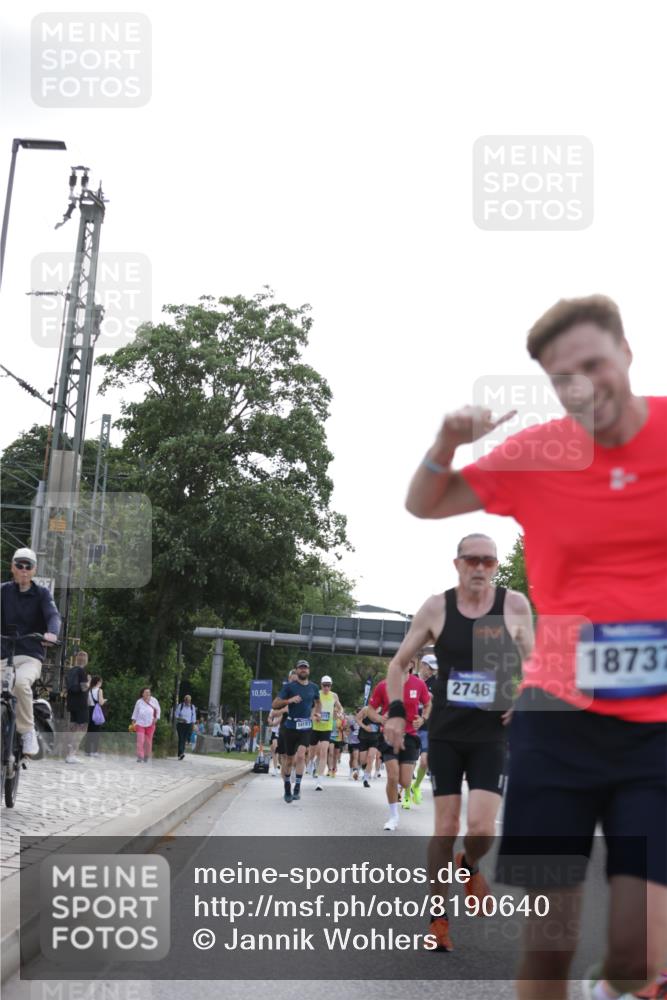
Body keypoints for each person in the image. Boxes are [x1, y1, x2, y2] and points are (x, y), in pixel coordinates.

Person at [392, 294, 667, 999]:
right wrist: (447, 440)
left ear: (626, 353)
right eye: (561, 378)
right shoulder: (541, 452)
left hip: (656, 734)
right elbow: (426, 502)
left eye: (592, 365)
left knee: (639, 954)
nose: (581, 387)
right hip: (558, 724)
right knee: (549, 946)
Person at [385, 535, 533, 951]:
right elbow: (397, 664)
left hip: (490, 732)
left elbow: (538, 662)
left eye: (489, 560)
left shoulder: (514, 605)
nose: (481, 568)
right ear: (458, 563)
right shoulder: (437, 608)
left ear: (496, 565)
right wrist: (396, 709)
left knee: (482, 827)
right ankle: (438, 920)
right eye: (473, 560)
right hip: (448, 733)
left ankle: (469, 865)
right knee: (445, 827)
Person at [0, 547, 60, 758]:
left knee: (20, 683)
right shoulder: (3, 591)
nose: (23, 570)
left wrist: (51, 633)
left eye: (28, 566)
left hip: (29, 656)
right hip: (3, 656)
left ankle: (27, 732)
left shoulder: (42, 594)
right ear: (12, 568)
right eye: (19, 565)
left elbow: (53, 616)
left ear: (34, 570)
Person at [366, 661, 431, 832]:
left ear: (411, 664)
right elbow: (370, 710)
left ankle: (407, 790)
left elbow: (428, 704)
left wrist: (423, 719)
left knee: (405, 781)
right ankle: (393, 816)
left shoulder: (419, 684)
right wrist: (380, 719)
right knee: (393, 777)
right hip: (389, 735)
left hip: (410, 736)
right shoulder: (384, 685)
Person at [272, 659, 321, 803]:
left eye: (305, 668)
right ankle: (287, 787)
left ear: (309, 670)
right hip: (290, 727)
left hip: (305, 727)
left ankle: (297, 787)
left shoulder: (313, 687)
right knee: (288, 761)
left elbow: (318, 702)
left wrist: (315, 713)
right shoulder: (289, 687)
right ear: (297, 670)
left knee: (301, 756)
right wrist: (289, 700)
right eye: (301, 668)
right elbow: (275, 704)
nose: (303, 670)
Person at [409, 654, 438, 804]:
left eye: (434, 669)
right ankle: (406, 794)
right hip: (410, 725)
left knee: (425, 761)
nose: (432, 672)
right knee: (409, 762)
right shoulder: (410, 678)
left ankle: (416, 785)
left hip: (427, 726)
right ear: (423, 665)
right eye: (430, 668)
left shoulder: (437, 682)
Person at [310, 675, 343, 791]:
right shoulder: (316, 694)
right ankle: (312, 763)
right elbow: (311, 709)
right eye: (324, 685)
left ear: (331, 685)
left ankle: (319, 781)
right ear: (321, 685)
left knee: (324, 752)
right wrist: (315, 716)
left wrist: (339, 713)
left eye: (328, 685)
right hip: (315, 727)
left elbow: (340, 707)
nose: (326, 688)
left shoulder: (334, 696)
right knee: (312, 752)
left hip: (327, 728)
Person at [65, 650, 91, 764]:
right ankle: (72, 754)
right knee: (82, 729)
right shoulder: (82, 671)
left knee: (73, 728)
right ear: (86, 660)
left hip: (71, 702)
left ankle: (68, 754)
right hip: (81, 703)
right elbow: (84, 688)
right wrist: (89, 681)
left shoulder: (71, 670)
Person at [131, 686, 161, 762]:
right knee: (140, 740)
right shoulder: (139, 702)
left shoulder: (154, 700)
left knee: (148, 741)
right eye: (146, 692)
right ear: (142, 694)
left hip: (151, 723)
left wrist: (156, 718)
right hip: (140, 723)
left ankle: (146, 755)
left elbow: (158, 710)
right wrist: (133, 721)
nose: (148, 694)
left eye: (149, 692)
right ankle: (140, 756)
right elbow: (135, 712)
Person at [356, 703, 382, 788]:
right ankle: (364, 767)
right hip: (364, 737)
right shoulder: (366, 709)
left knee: (371, 757)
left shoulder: (382, 711)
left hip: (375, 738)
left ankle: (366, 779)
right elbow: (357, 719)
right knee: (363, 760)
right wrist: (364, 727)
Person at [84, 675, 106, 757]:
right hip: (96, 711)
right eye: (101, 682)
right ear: (98, 682)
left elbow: (88, 702)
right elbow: (101, 702)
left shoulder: (89, 690)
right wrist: (104, 700)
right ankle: (94, 751)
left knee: (89, 730)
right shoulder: (99, 690)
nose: (101, 683)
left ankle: (87, 750)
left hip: (89, 710)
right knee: (96, 731)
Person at [174, 694, 197, 759]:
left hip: (188, 725)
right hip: (181, 724)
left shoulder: (192, 707)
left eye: (189, 700)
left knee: (184, 739)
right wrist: (182, 719)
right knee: (181, 738)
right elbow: (176, 715)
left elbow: (193, 717)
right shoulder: (180, 706)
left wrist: (193, 725)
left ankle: (181, 753)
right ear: (184, 700)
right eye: (186, 700)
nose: (187, 702)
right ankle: (181, 753)